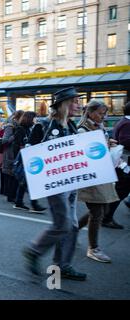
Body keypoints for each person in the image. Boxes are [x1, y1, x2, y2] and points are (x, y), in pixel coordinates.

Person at [23, 87, 87, 281]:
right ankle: (34, 250)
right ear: (64, 104)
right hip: (53, 183)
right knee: (63, 224)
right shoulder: (44, 125)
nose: (79, 105)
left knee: (73, 225)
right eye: (76, 102)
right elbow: (30, 152)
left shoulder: (72, 126)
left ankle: (63, 265)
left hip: (71, 181)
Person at [77, 100, 118, 262]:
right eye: (101, 113)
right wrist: (105, 145)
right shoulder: (83, 129)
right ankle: (93, 248)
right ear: (90, 112)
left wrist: (108, 144)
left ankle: (73, 230)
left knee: (103, 207)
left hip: (102, 173)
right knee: (97, 212)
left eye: (104, 113)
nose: (103, 117)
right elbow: (85, 152)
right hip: (91, 175)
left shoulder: (97, 127)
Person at [102, 101, 130, 229]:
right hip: (124, 162)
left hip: (123, 161)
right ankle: (106, 217)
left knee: (122, 189)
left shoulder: (124, 121)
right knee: (122, 189)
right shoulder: (126, 123)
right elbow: (125, 141)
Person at [12, 111, 46, 213]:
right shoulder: (21, 129)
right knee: (30, 183)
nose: (37, 120)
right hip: (24, 159)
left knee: (24, 182)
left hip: (29, 158)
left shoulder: (31, 128)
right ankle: (34, 204)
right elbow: (16, 144)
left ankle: (18, 202)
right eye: (35, 118)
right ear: (30, 118)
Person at [1, 110, 24, 203]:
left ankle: (12, 195)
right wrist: (14, 136)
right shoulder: (10, 126)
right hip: (9, 153)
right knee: (10, 175)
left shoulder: (19, 126)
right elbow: (5, 140)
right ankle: (10, 196)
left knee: (13, 175)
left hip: (15, 153)